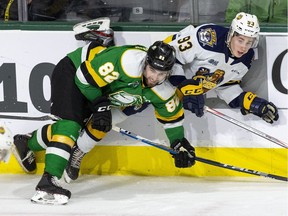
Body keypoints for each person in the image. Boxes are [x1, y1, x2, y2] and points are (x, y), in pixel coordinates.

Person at [12, 18, 196, 205]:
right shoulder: (127, 61)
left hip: (97, 87)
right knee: (69, 125)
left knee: (86, 127)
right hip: (74, 70)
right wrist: (100, 105)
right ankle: (47, 183)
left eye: (161, 74)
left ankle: (26, 143)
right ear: (146, 62)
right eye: (152, 70)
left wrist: (179, 144)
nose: (154, 77)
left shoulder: (163, 90)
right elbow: (84, 78)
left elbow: (171, 118)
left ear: (168, 73)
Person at [163, 12, 279, 124]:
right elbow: (170, 57)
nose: (244, 47)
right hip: (157, 72)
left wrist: (247, 101)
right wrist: (182, 86)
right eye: (240, 40)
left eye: (249, 42)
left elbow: (225, 85)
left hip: (176, 97)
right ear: (231, 34)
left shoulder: (246, 59)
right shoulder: (208, 37)